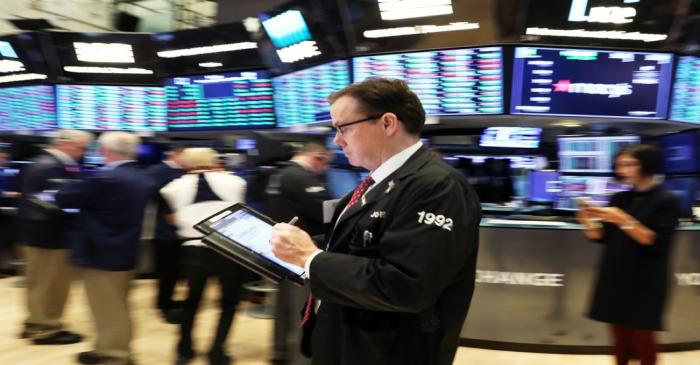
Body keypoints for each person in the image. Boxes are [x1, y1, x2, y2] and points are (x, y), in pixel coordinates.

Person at [270, 78, 482, 365]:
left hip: (390, 351)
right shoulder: (376, 182)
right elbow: (360, 247)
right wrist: (292, 251)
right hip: (348, 342)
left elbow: (406, 284)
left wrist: (311, 258)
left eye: (343, 127)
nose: (337, 140)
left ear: (387, 123)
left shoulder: (437, 186)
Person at [577, 144, 681, 365]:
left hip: (645, 280)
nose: (623, 169)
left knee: (643, 340)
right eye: (620, 164)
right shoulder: (619, 198)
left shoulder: (666, 200)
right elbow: (601, 237)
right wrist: (587, 222)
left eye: (630, 164)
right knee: (619, 339)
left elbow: (656, 242)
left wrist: (622, 219)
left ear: (647, 164)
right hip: (615, 276)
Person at [55, 131, 153, 365]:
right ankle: (104, 348)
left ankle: (115, 356)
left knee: (108, 308)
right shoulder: (143, 177)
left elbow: (63, 197)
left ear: (105, 151)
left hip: (102, 252)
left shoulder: (104, 179)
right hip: (125, 249)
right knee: (112, 305)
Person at [160, 147, 247, 365]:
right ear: (214, 159)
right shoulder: (237, 183)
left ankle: (184, 352)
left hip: (193, 250)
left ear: (185, 162)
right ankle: (217, 352)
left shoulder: (171, 188)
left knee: (191, 301)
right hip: (229, 248)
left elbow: (172, 220)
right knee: (229, 302)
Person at [16, 129, 93, 345]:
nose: (83, 153)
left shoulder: (38, 162)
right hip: (51, 234)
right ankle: (46, 329)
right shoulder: (52, 165)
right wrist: (82, 211)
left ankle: (34, 323)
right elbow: (53, 201)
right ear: (64, 144)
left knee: (38, 283)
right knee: (53, 284)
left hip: (36, 232)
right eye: (82, 148)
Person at [265, 142, 332, 365]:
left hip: (280, 250)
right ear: (317, 156)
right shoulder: (302, 177)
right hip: (299, 254)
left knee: (282, 308)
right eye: (326, 163)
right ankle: (300, 360)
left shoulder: (279, 174)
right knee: (301, 311)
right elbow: (326, 212)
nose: (326, 169)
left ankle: (279, 352)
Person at [145, 145, 186, 323]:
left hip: (177, 230)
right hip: (164, 231)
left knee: (174, 270)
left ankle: (169, 301)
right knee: (166, 271)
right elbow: (156, 197)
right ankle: (164, 304)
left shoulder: (180, 172)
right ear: (177, 154)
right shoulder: (159, 171)